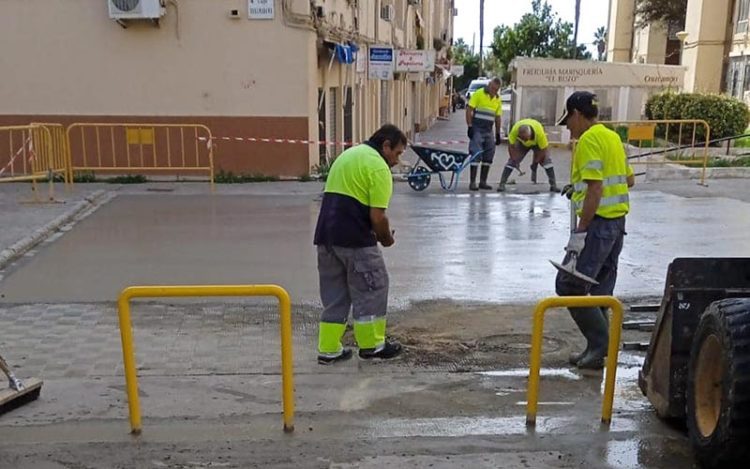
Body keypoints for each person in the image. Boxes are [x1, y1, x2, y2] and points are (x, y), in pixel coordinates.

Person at [314, 124, 407, 365]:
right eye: (396, 153)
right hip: (355, 241)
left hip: (326, 237)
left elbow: (348, 202)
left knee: (335, 295)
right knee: (373, 287)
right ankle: (372, 346)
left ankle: (329, 349)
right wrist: (386, 238)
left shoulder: (349, 155)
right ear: (385, 145)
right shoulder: (378, 167)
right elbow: (378, 217)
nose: (396, 161)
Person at [555, 91, 635, 370]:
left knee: (569, 285)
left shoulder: (588, 140)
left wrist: (581, 230)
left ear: (577, 114)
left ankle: (601, 344)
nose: (568, 127)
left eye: (569, 121)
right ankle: (596, 350)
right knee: (600, 288)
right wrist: (576, 188)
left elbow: (596, 187)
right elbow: (629, 180)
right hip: (617, 225)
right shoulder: (612, 137)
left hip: (598, 225)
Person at [497, 118, 559, 193]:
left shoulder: (539, 133)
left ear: (530, 134)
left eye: (526, 138)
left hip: (537, 144)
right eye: (522, 138)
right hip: (521, 145)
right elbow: (511, 146)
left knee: (547, 162)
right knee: (511, 162)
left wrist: (536, 162)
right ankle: (502, 184)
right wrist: (514, 159)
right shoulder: (515, 130)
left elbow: (543, 150)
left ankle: (553, 185)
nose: (525, 141)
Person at [465, 77, 503, 191]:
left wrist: (497, 134)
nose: (494, 91)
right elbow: (469, 109)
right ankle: (472, 182)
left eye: (496, 90)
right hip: (477, 128)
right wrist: (470, 126)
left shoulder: (497, 99)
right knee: (476, 154)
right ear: (489, 85)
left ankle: (483, 182)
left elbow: (498, 117)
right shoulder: (479, 94)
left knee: (489, 154)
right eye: (493, 88)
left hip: (488, 130)